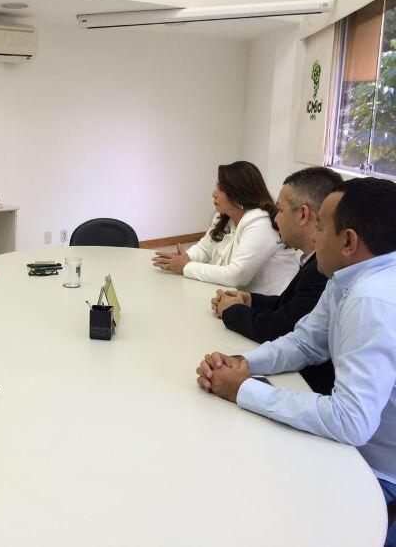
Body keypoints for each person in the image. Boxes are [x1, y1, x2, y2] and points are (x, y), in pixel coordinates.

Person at [195, 178, 396, 546]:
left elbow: (350, 421)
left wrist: (244, 390)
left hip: (379, 471)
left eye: (321, 227)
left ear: (349, 241)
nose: (314, 237)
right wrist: (244, 363)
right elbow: (306, 342)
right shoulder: (349, 276)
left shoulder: (372, 300)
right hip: (358, 444)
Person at [211, 167, 342, 394]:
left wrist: (231, 311)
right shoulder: (314, 263)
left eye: (280, 209)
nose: (276, 217)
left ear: (302, 214)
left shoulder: (325, 271)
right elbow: (290, 310)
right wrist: (249, 300)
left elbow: (282, 327)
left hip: (308, 386)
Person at [152, 161, 298, 295]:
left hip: (271, 305)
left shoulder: (261, 222)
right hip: (239, 297)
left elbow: (237, 276)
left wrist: (186, 266)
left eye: (221, 188)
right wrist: (184, 258)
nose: (214, 193)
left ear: (239, 193)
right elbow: (204, 249)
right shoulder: (224, 216)